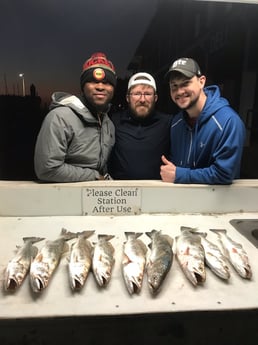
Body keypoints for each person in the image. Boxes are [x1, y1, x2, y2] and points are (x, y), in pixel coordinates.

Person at [160, 57, 246, 184]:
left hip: (219, 203)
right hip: (180, 201)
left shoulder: (228, 121)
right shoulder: (176, 123)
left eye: (185, 83)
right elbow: (175, 165)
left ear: (201, 81)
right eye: (174, 86)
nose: (179, 91)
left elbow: (224, 174)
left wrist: (180, 175)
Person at [34, 52, 116, 182]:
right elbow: (47, 169)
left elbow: (101, 166)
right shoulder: (60, 117)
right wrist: (95, 177)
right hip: (63, 197)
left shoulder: (108, 124)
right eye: (93, 81)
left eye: (107, 83)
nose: (100, 87)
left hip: (93, 197)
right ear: (82, 87)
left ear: (113, 88)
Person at [108, 72, 173, 179]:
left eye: (147, 94)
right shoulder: (113, 121)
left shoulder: (168, 123)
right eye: (137, 94)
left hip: (158, 191)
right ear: (128, 98)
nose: (142, 100)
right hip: (121, 192)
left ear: (155, 98)